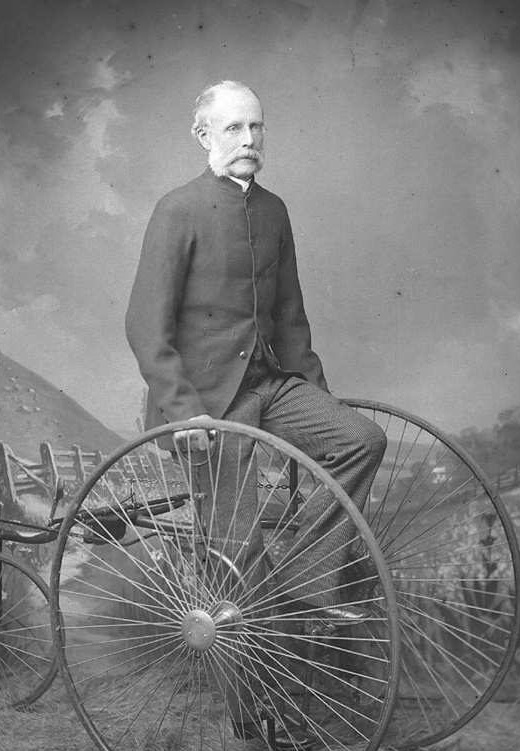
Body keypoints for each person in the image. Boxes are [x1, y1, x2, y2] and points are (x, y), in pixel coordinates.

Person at [126, 79, 386, 617]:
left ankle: (306, 584)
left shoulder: (274, 210)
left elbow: (290, 317)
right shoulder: (178, 210)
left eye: (256, 126)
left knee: (362, 439)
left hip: (271, 384)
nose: (248, 139)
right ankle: (256, 647)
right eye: (233, 128)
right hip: (208, 404)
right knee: (237, 563)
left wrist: (320, 398)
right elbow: (145, 326)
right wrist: (184, 413)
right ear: (203, 136)